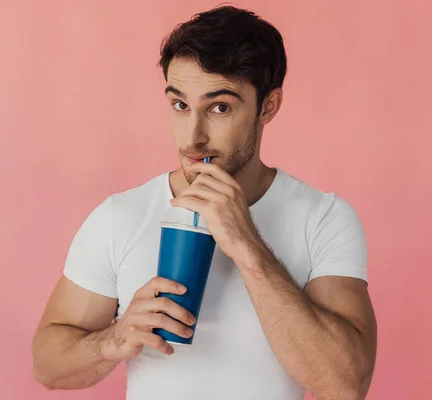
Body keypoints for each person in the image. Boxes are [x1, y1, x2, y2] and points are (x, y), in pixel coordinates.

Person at [32, 5, 377, 400]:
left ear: (268, 106)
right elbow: (48, 366)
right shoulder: (121, 216)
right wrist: (115, 337)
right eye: (180, 105)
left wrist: (246, 243)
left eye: (219, 107)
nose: (192, 137)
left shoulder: (323, 218)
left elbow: (346, 385)